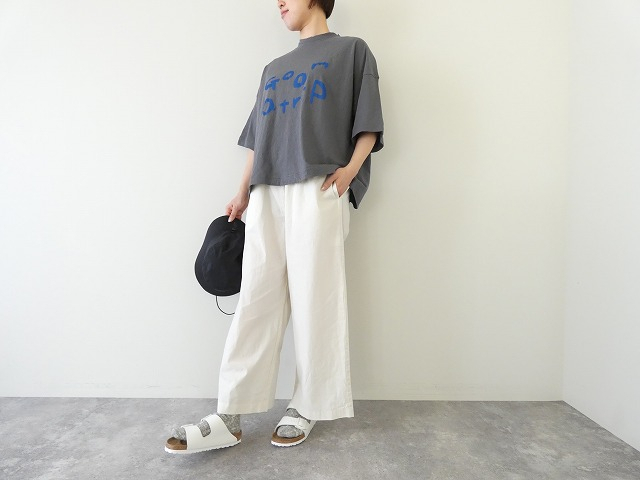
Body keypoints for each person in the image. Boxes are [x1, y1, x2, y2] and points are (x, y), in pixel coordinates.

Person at [165, 0, 384, 453]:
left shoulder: (351, 51)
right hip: (267, 191)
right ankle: (230, 412)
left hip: (318, 185)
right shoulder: (273, 69)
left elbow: (369, 123)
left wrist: (348, 172)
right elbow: (258, 139)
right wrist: (242, 191)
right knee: (256, 299)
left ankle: (307, 404)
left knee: (315, 297)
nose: (279, 3)